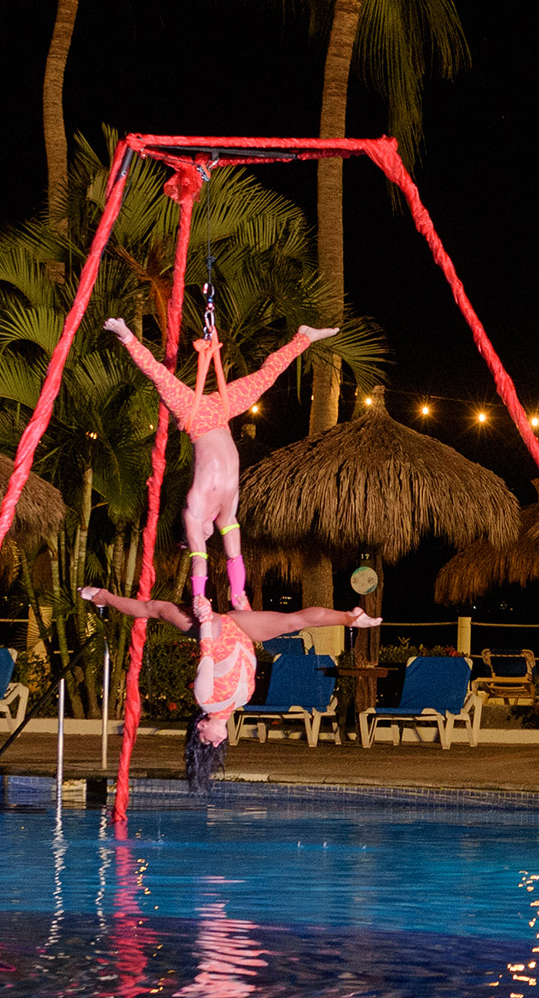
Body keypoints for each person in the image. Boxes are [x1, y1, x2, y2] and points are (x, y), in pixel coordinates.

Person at [103, 316, 332, 609]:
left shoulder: (195, 511)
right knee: (266, 378)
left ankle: (125, 336)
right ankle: (304, 336)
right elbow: (231, 555)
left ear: (192, 531)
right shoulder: (226, 515)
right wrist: (237, 594)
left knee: (160, 376)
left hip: (195, 413)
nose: (205, 537)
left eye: (197, 536)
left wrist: (198, 594)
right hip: (222, 413)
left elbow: (198, 555)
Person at [78, 585, 374, 788]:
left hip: (215, 632)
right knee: (291, 621)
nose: (219, 742)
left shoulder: (206, 700)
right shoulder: (242, 699)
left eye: (208, 743)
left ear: (199, 728)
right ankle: (349, 618)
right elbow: (247, 656)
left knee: (158, 608)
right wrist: (244, 609)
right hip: (242, 629)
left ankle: (104, 596)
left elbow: (207, 653)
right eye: (219, 747)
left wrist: (206, 619)